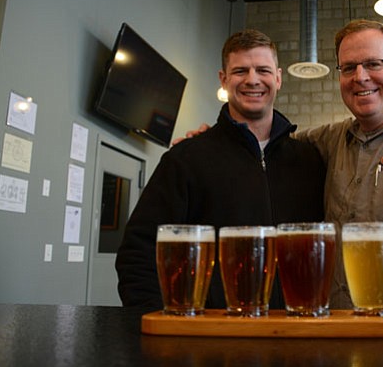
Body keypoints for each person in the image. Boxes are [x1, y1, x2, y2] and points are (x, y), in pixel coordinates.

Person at [178, 20, 383, 309]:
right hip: (339, 331)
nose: (361, 77)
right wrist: (216, 140)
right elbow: (268, 143)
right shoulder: (330, 139)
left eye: (374, 64)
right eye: (349, 67)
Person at [115, 29, 326, 310]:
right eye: (240, 71)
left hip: (296, 334)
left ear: (278, 78)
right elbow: (138, 254)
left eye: (262, 70)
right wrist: (160, 330)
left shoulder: (309, 160)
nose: (252, 79)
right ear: (223, 80)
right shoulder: (186, 159)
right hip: (211, 339)